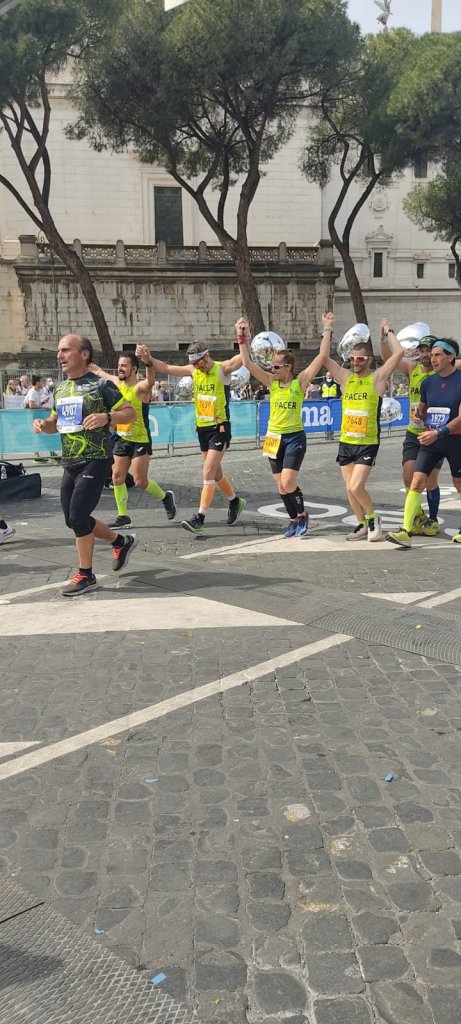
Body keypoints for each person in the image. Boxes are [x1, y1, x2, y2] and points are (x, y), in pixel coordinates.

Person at [33, 334, 138, 597]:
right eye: (59, 351)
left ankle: (86, 575)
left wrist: (107, 417)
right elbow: (55, 422)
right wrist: (44, 425)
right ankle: (121, 541)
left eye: (65, 350)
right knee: (72, 520)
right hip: (70, 462)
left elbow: (131, 413)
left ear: (84, 354)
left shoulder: (101, 385)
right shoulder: (60, 389)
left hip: (96, 458)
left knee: (79, 516)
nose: (59, 355)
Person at [238, 316, 330, 537]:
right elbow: (247, 363)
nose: (273, 370)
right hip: (273, 438)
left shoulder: (299, 382)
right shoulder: (272, 383)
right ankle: (293, 520)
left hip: (294, 437)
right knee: (280, 486)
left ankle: (303, 514)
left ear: (288, 367)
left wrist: (327, 328)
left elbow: (322, 357)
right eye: (272, 367)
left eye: (277, 367)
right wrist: (241, 337)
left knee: (288, 482)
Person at [320, 315, 405, 542]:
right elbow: (324, 358)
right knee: (349, 489)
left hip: (367, 442)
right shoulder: (346, 378)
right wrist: (327, 328)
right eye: (352, 359)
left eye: (359, 359)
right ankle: (362, 524)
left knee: (357, 486)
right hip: (346, 441)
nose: (355, 362)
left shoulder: (377, 379)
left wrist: (387, 332)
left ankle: (373, 518)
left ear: (368, 360)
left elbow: (398, 354)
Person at [150, 342, 246, 534]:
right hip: (202, 429)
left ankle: (199, 518)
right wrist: (148, 359)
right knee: (216, 474)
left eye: (198, 363)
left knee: (208, 472)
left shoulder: (222, 369)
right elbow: (166, 368)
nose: (196, 367)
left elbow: (243, 359)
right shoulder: (194, 371)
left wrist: (243, 339)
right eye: (193, 364)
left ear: (206, 356)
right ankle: (235, 501)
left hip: (219, 428)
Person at [387, 338, 461, 548]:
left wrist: (439, 432)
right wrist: (418, 415)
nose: (433, 359)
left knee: (458, 484)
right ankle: (406, 531)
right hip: (432, 439)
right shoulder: (428, 382)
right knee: (416, 482)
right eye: (432, 355)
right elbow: (422, 408)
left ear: (450, 357)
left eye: (438, 355)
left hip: (455, 439)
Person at [90, 348, 175, 529]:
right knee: (117, 477)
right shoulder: (117, 383)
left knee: (140, 481)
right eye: (119, 365)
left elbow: (150, 380)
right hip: (122, 439)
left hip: (140, 440)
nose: (120, 368)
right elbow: (100, 372)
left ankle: (165, 497)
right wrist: (85, 362)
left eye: (124, 366)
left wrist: (148, 361)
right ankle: (123, 517)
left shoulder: (140, 388)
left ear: (134, 369)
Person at [381, 330, 446, 537]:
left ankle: (433, 520)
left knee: (430, 481)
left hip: (434, 434)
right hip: (413, 433)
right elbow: (388, 358)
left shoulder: (443, 372)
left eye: (430, 351)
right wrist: (384, 337)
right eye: (422, 351)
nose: (426, 355)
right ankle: (418, 518)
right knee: (409, 477)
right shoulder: (412, 369)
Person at [24, 375, 60, 464]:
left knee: (42, 435)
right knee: (37, 436)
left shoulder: (37, 391)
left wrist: (43, 402)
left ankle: (51, 454)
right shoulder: (32, 391)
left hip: (36, 416)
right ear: (37, 382)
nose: (43, 383)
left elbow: (36, 404)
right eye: (41, 381)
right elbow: (31, 405)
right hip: (32, 417)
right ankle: (37, 456)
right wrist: (43, 407)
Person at [320, 372, 341, 441]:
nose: (329, 377)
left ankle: (331, 434)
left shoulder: (336, 385)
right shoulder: (322, 384)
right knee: (325, 419)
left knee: (332, 419)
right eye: (328, 375)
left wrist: (334, 399)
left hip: (333, 403)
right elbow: (319, 393)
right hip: (325, 403)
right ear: (326, 376)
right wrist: (322, 399)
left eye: (330, 375)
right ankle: (327, 434)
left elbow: (339, 393)